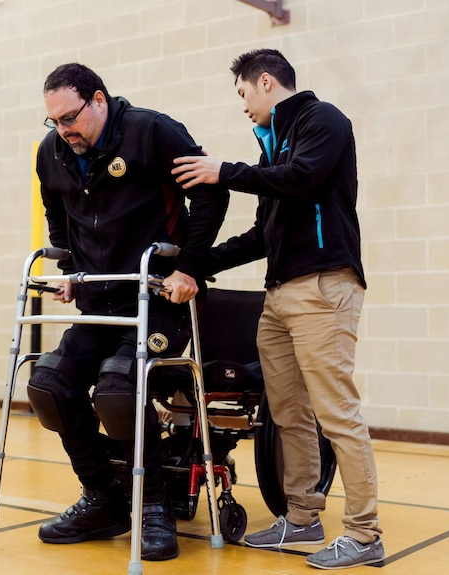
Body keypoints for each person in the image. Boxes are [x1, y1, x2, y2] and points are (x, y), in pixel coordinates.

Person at [171, 49, 384, 570]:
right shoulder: (270, 151)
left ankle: (363, 535)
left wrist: (225, 172)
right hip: (281, 294)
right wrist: (194, 266)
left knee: (337, 413)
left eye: (243, 94)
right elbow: (261, 235)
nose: (242, 106)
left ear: (265, 82)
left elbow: (302, 178)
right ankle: (303, 517)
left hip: (323, 288)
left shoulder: (322, 120)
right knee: (287, 413)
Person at [27, 63, 228, 562]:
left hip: (159, 299)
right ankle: (104, 499)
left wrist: (191, 268)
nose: (63, 130)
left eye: (70, 117)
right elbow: (59, 217)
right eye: (53, 121)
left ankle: (155, 505)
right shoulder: (52, 152)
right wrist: (72, 271)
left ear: (99, 99)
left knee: (120, 389)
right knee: (49, 386)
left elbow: (210, 194)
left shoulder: (151, 131)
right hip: (100, 303)